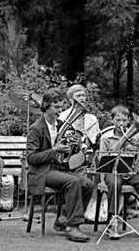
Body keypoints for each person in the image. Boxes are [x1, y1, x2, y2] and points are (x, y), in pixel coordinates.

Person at [26, 89, 95, 242]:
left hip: (59, 169)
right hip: (42, 171)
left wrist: (75, 145)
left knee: (88, 184)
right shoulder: (36, 128)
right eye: (56, 107)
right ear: (46, 106)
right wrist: (54, 150)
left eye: (61, 107)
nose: (60, 111)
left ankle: (64, 216)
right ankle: (73, 226)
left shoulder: (61, 124)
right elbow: (31, 157)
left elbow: (68, 150)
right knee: (74, 181)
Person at [98, 104, 139, 240]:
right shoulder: (105, 138)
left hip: (131, 173)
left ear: (129, 121)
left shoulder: (137, 136)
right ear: (112, 120)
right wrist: (116, 151)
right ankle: (113, 222)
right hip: (112, 172)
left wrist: (137, 150)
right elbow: (102, 162)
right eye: (117, 120)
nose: (121, 123)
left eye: (124, 121)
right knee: (114, 184)